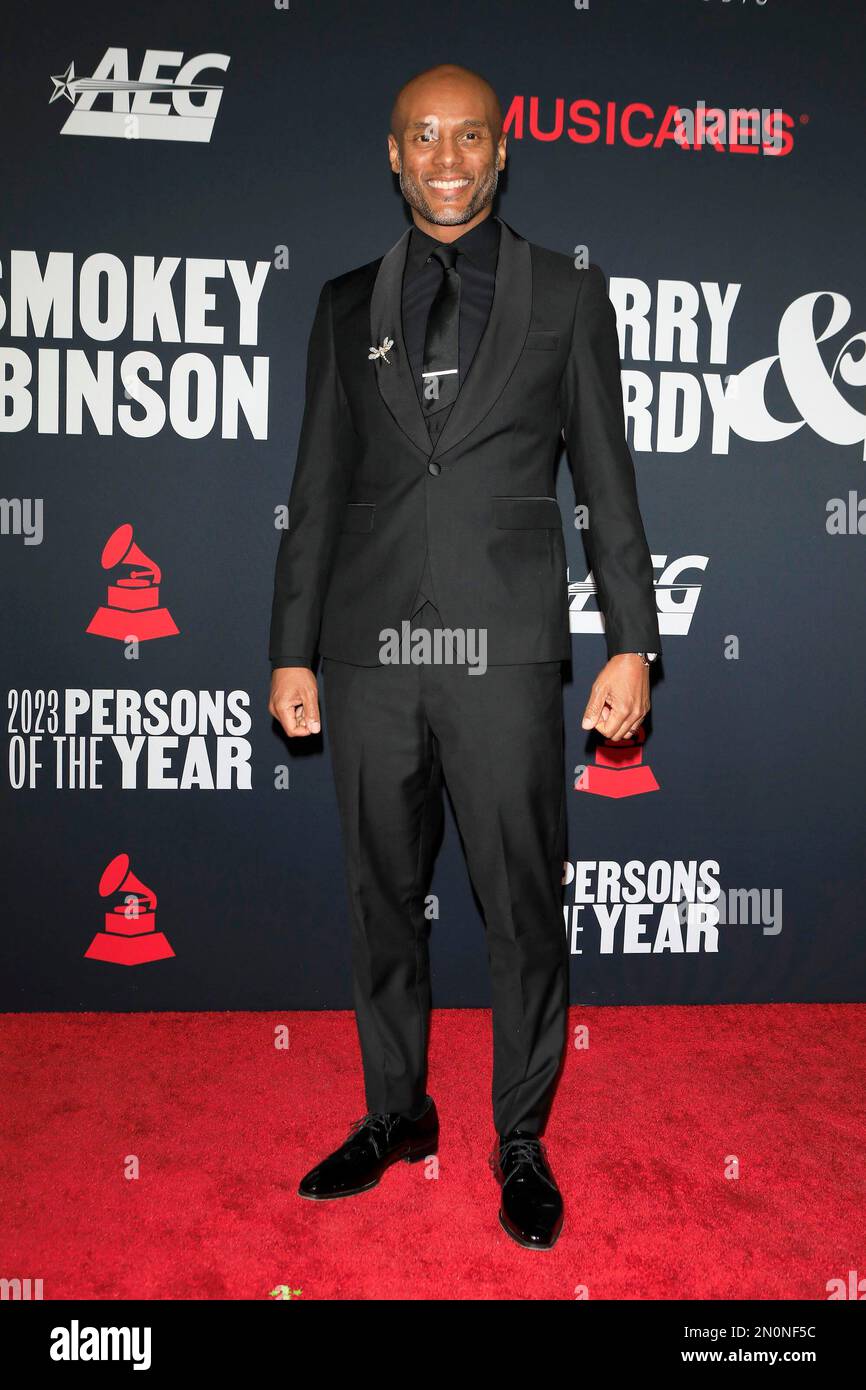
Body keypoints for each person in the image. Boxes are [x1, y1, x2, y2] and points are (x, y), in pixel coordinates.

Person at [268, 63, 660, 1250]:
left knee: (520, 905)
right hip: (368, 652)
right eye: (421, 138)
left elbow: (605, 483)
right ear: (392, 154)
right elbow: (316, 490)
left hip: (504, 653)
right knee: (380, 899)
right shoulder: (344, 303)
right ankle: (397, 1114)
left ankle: (521, 1137)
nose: (445, 158)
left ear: (502, 151)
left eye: (468, 137)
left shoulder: (565, 296)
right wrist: (291, 651)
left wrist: (632, 641)